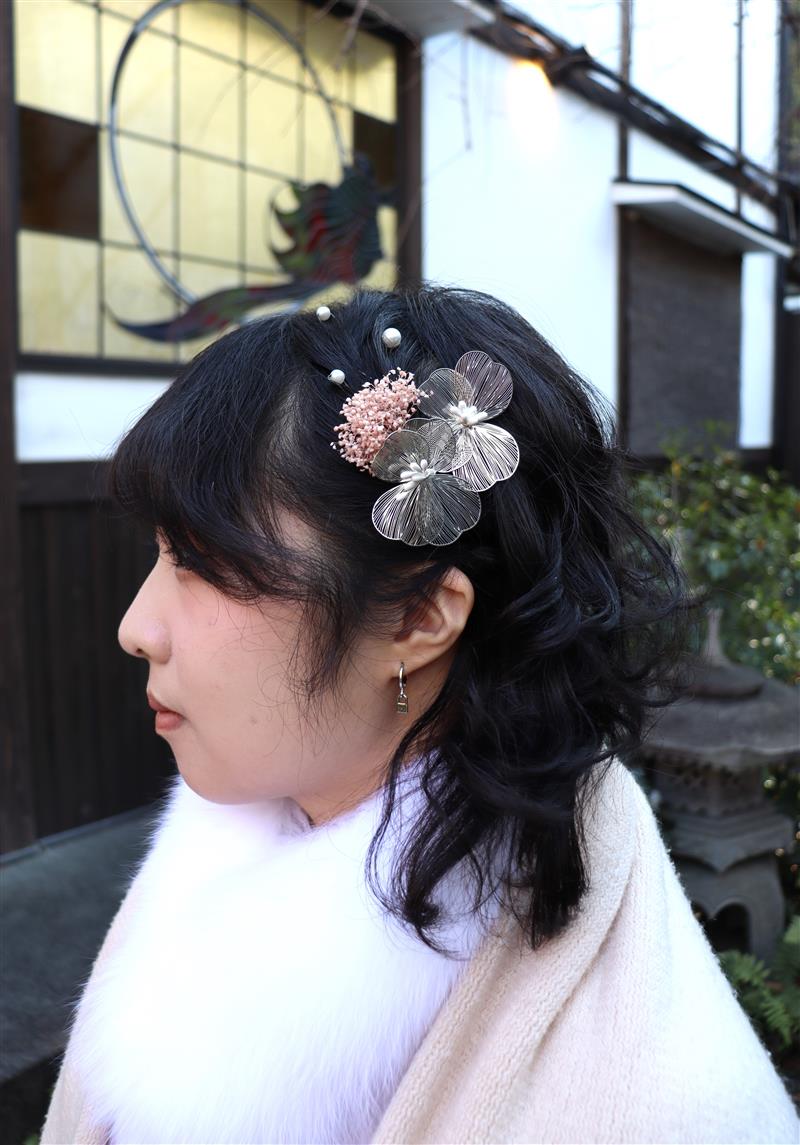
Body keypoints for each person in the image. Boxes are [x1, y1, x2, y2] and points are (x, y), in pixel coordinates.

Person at [41, 287, 798, 1144]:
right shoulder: (226, 837)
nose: (135, 627)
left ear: (419, 619)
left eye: (204, 564)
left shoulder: (669, 1105)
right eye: (160, 552)